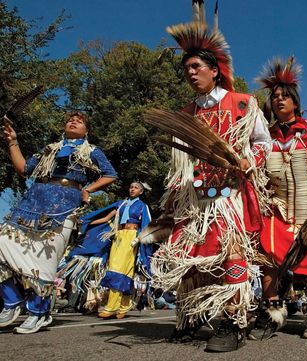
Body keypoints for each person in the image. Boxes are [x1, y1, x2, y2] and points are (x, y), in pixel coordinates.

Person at [150, 3, 271, 352]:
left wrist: (250, 160)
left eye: (196, 66)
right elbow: (179, 164)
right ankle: (189, 317)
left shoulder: (243, 104)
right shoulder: (185, 115)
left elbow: (264, 142)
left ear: (214, 70)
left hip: (230, 193)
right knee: (190, 257)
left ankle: (233, 321)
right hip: (194, 196)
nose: (190, 73)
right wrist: (173, 196)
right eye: (186, 68)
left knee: (231, 253)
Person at [249, 56, 307, 340]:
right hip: (275, 208)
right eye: (274, 97)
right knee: (267, 259)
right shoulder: (266, 136)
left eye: (284, 96)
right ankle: (270, 314)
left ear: (295, 102)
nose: (278, 100)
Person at [0, 111, 116, 333]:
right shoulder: (49, 149)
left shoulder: (91, 151)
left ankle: (38, 312)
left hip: (63, 206)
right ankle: (12, 301)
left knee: (44, 260)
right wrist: (13, 141)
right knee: (2, 244)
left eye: (79, 121)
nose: (73, 122)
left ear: (87, 131)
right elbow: (24, 169)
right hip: (32, 203)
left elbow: (110, 174)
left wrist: (88, 189)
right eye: (70, 119)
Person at [75, 181, 152, 319]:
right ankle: (124, 305)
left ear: (141, 192)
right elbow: (106, 218)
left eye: (136, 188)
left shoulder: (142, 206)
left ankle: (112, 306)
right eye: (131, 187)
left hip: (132, 237)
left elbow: (147, 225)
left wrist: (140, 239)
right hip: (118, 236)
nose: (132, 189)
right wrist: (86, 222)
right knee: (122, 270)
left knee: (118, 269)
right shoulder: (121, 204)